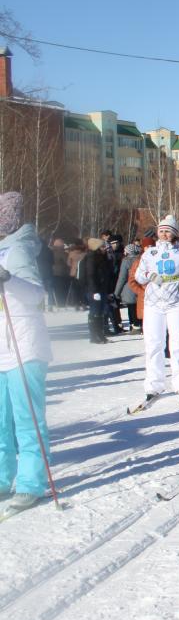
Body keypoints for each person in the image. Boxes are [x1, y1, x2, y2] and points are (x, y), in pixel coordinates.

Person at [0, 192, 54, 512]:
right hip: (2, 347)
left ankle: (32, 482)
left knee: (27, 419)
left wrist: (7, 281)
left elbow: (37, 295)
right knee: (1, 420)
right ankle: (3, 478)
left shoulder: (17, 250)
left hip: (24, 345)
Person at [133, 216, 179, 409]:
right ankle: (154, 385)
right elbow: (138, 275)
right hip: (154, 304)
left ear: (175, 233)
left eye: (168, 231)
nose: (164, 234)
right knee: (153, 344)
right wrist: (149, 276)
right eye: (161, 231)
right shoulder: (150, 253)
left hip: (177, 302)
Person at [81, 238, 115, 345]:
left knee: (100, 313)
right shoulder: (91, 258)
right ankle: (94, 336)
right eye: (102, 247)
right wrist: (94, 291)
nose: (104, 248)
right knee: (95, 312)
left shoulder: (102, 258)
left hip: (102, 289)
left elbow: (107, 275)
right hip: (94, 290)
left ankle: (100, 335)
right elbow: (90, 275)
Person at [114, 243, 142, 332]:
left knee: (131, 307)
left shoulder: (126, 261)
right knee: (140, 306)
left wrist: (116, 292)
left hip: (129, 287)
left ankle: (134, 326)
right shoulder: (141, 259)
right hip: (141, 286)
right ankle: (140, 325)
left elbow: (122, 278)